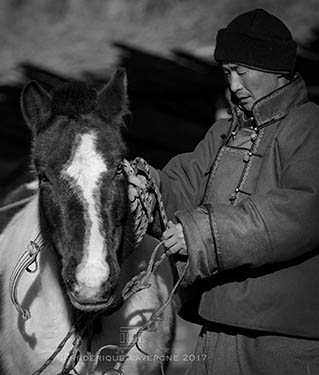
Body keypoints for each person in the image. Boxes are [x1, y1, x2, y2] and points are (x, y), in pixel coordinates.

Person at [128, 8, 319, 375]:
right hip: (214, 329)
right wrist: (145, 188)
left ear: (276, 70)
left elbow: (297, 213)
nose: (234, 86)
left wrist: (200, 233)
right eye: (227, 73)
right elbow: (182, 186)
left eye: (242, 72)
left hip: (285, 344)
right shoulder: (222, 134)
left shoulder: (311, 128)